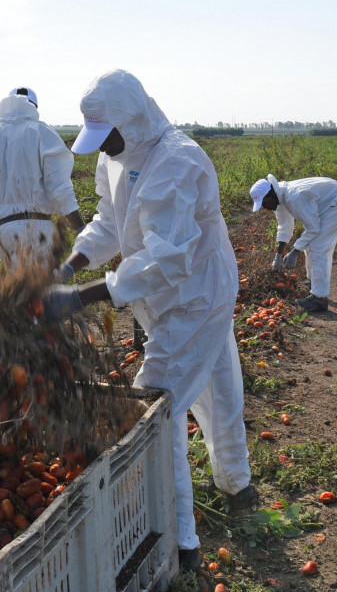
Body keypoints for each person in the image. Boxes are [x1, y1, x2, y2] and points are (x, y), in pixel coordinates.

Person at [43, 69, 253, 573]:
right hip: (172, 296)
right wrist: (70, 264)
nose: (106, 146)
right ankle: (237, 484)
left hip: (194, 294)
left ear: (132, 120)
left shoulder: (176, 162)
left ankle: (181, 543)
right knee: (217, 385)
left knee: (157, 406)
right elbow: (110, 221)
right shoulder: (116, 157)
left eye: (109, 134)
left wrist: (83, 296)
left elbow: (168, 261)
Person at [0, 87, 84, 267]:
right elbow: (59, 189)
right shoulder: (42, 132)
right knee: (40, 292)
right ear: (34, 107)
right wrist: (80, 228)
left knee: (15, 289)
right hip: (35, 230)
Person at [248, 174, 337, 313]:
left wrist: (295, 251)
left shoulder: (294, 198)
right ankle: (313, 282)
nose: (264, 207)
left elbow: (313, 228)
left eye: (263, 203)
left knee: (318, 246)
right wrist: (278, 256)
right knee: (312, 243)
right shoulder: (279, 199)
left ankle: (320, 299)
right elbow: (284, 227)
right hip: (331, 202)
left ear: (270, 195)